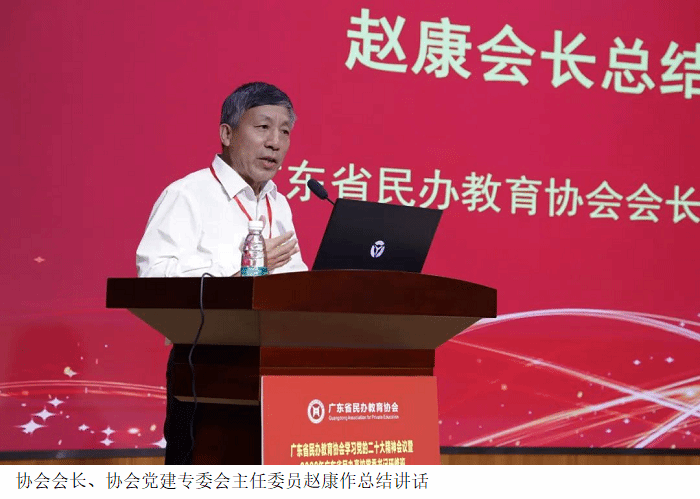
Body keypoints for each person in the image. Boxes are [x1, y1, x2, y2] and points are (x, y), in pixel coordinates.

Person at [136, 82, 308, 464]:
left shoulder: (278, 203)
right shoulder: (188, 195)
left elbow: (294, 278)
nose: (275, 143)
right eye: (263, 127)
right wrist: (241, 275)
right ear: (227, 134)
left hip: (276, 368)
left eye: (285, 132)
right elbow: (154, 282)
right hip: (207, 368)